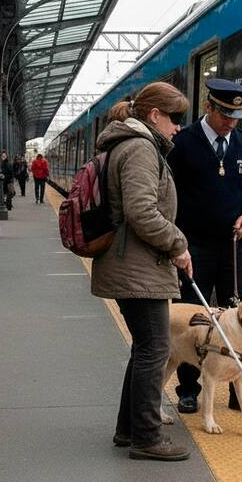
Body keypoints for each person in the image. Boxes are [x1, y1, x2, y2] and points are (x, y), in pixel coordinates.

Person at [90, 81, 193, 462]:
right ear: (154, 116)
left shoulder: (132, 145)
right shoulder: (140, 149)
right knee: (155, 348)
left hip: (133, 263)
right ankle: (146, 437)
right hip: (137, 266)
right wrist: (178, 244)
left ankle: (128, 429)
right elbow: (142, 211)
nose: (178, 127)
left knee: (145, 348)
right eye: (175, 118)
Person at [168, 78, 242, 416]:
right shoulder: (183, 144)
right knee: (194, 317)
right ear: (209, 107)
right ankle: (187, 389)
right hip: (194, 245)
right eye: (225, 114)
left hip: (233, 246)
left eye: (237, 116)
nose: (231, 122)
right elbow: (167, 193)